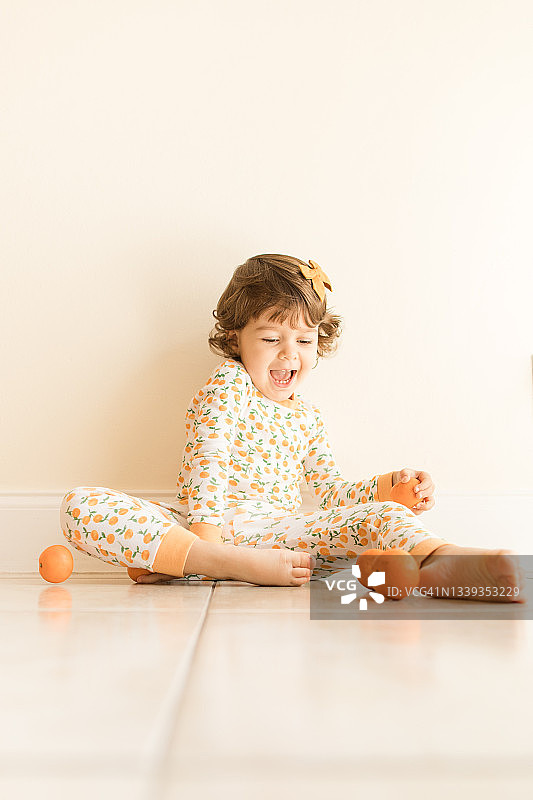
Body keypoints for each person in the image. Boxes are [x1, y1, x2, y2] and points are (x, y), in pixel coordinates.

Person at [60, 254, 524, 602]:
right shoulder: (229, 384)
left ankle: (446, 562)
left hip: (279, 538)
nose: (289, 353)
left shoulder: (306, 417)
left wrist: (389, 489)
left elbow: (329, 492)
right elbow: (207, 459)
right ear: (235, 339)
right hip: (206, 530)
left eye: (304, 340)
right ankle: (210, 563)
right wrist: (206, 539)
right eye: (270, 339)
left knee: (382, 518)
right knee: (81, 505)